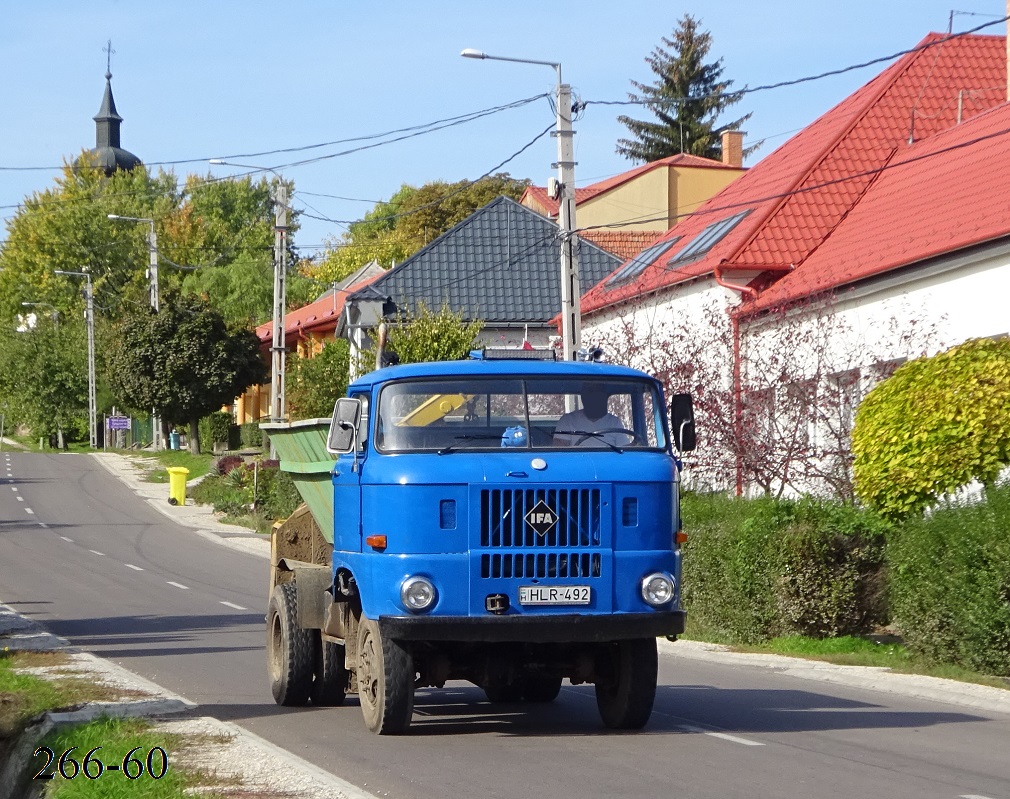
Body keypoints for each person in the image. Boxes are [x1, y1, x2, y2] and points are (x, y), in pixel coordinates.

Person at [553, 386, 629, 447]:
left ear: (604, 397)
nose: (594, 398)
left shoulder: (614, 422)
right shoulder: (567, 420)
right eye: (590, 393)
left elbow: (625, 452)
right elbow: (560, 452)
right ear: (583, 397)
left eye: (597, 394)